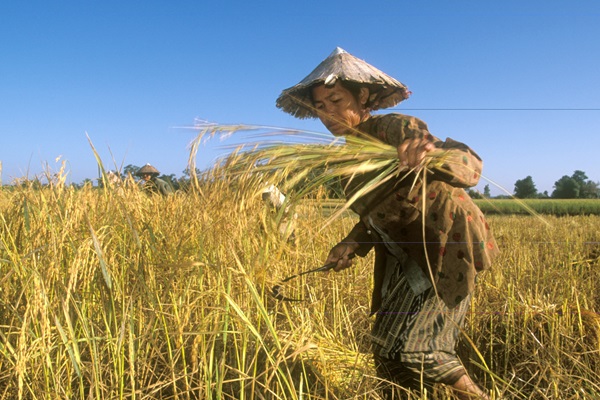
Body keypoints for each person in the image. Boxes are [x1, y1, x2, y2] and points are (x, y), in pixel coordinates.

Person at [276, 47, 499, 399]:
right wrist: (352, 242)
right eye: (320, 107)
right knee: (386, 350)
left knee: (420, 349)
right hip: (405, 255)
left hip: (443, 247)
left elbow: (467, 165)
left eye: (335, 100)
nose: (327, 113)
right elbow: (375, 216)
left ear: (362, 96)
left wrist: (432, 155)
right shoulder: (346, 159)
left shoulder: (397, 129)